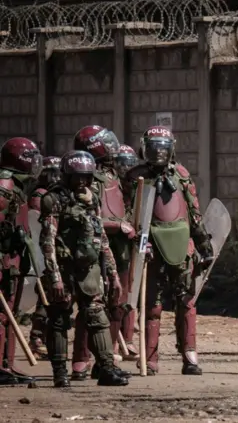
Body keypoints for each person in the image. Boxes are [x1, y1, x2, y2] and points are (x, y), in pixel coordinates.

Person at [126, 126, 214, 376]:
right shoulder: (135, 177)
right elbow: (131, 216)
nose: (158, 154)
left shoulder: (182, 175)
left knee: (186, 301)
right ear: (145, 149)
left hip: (181, 246)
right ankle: (150, 358)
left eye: (163, 149)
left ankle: (189, 355)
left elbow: (194, 213)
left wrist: (203, 244)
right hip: (150, 247)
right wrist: (140, 246)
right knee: (152, 305)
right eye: (153, 149)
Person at [40, 150, 129, 387]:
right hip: (63, 268)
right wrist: (55, 278)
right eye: (76, 177)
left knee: (97, 316)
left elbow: (102, 239)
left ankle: (107, 369)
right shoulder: (54, 199)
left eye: (86, 177)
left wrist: (113, 275)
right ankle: (60, 373)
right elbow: (48, 241)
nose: (81, 182)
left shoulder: (93, 199)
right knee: (59, 319)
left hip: (88, 268)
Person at [71, 125, 135, 378]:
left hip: (120, 249)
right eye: (106, 144)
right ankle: (80, 360)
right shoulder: (87, 180)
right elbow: (89, 217)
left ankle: (105, 361)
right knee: (91, 306)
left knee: (117, 305)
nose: (112, 148)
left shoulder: (115, 176)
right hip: (93, 248)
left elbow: (125, 208)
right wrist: (117, 225)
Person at [0, 137, 42, 386]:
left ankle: (7, 363)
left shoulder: (18, 185)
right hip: (3, 259)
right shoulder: (4, 187)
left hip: (13, 260)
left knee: (11, 313)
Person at [27, 156, 61, 359]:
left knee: (50, 299)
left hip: (52, 252)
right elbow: (39, 228)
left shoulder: (52, 195)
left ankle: (44, 337)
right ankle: (37, 337)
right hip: (42, 253)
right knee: (45, 298)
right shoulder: (39, 196)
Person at [115, 144, 140, 360]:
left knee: (132, 290)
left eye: (128, 163)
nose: (125, 168)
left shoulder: (138, 184)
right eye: (121, 163)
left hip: (135, 241)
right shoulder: (109, 186)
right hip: (114, 243)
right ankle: (113, 342)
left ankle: (128, 339)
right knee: (115, 292)